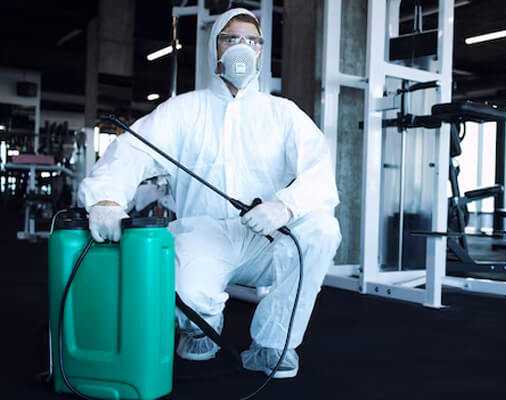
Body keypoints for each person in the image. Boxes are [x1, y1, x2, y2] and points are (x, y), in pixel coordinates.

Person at [78, 8, 341, 379]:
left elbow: (320, 170)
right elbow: (132, 151)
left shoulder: (283, 114)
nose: (242, 47)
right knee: (185, 290)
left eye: (252, 41)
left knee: (323, 230)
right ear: (214, 47)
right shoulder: (183, 111)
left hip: (268, 238)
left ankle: (274, 341)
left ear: (261, 51)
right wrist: (106, 198)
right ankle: (202, 326)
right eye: (231, 38)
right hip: (205, 235)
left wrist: (284, 206)